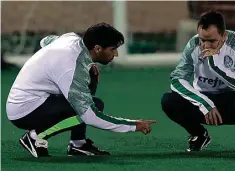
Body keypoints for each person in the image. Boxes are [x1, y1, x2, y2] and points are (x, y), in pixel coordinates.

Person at [6, 23, 156, 158]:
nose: (116, 54)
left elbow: (45, 41)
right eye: (113, 49)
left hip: (33, 99)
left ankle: (78, 145)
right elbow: (90, 116)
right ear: (97, 48)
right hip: (24, 111)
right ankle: (35, 137)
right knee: (91, 107)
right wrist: (133, 125)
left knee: (90, 95)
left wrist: (85, 65)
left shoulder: (71, 39)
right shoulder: (72, 69)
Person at [161, 11, 235, 152]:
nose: (206, 45)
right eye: (202, 39)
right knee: (168, 100)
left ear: (224, 35)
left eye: (212, 41)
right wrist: (204, 103)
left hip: (230, 102)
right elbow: (177, 80)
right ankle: (199, 135)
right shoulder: (193, 44)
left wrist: (215, 65)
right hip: (203, 103)